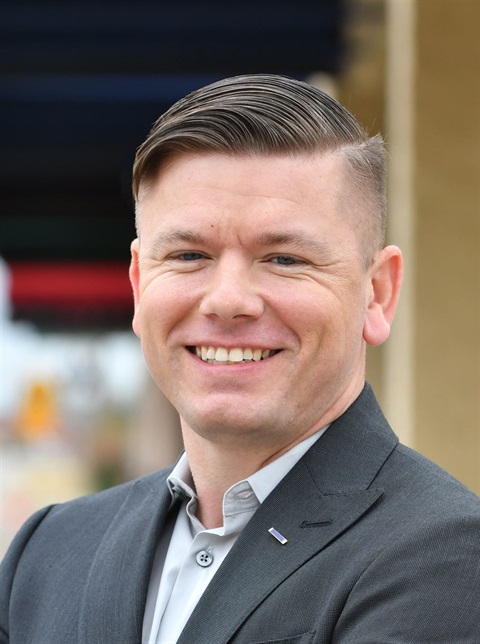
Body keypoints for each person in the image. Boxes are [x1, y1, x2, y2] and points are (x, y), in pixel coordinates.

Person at [1, 75, 479, 644]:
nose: (228, 300)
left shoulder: (443, 555)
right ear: (137, 285)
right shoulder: (47, 553)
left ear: (376, 293)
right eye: (187, 255)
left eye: (283, 258)